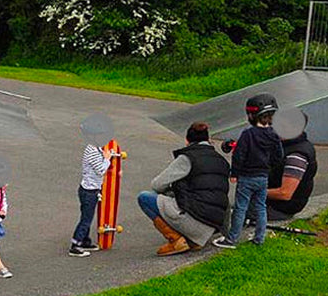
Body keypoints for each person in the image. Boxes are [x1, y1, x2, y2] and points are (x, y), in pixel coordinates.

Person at [137, 122, 231, 256]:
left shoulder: (188, 158)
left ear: (187, 141)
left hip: (195, 219)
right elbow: (222, 198)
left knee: (145, 197)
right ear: (208, 140)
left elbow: (157, 185)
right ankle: (193, 240)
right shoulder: (222, 161)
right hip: (212, 227)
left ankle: (176, 240)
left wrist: (172, 191)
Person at [213, 94, 284, 249]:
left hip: (246, 177)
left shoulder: (248, 134)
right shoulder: (274, 135)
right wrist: (268, 167)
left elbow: (239, 155)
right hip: (263, 177)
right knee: (260, 207)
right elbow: (279, 156)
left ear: (251, 115)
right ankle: (259, 239)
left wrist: (234, 173)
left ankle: (232, 239)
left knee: (240, 208)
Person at [265, 114, 318, 221]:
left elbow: (285, 193)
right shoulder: (285, 145)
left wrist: (252, 191)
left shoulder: (297, 156)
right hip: (270, 203)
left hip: (279, 209)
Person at [68, 141, 114, 257]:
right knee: (86, 219)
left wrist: (106, 155)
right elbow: (100, 170)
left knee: (87, 217)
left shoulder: (95, 149)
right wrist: (107, 159)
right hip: (89, 191)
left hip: (88, 189)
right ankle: (75, 245)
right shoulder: (92, 151)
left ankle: (85, 241)